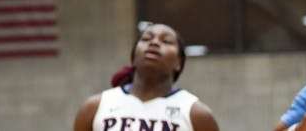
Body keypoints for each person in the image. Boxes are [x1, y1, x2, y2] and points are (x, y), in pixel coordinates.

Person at [73, 23, 220, 131]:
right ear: (134, 56)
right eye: (146, 39)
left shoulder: (196, 114)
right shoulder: (94, 107)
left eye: (166, 41)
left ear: (179, 63)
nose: (154, 43)